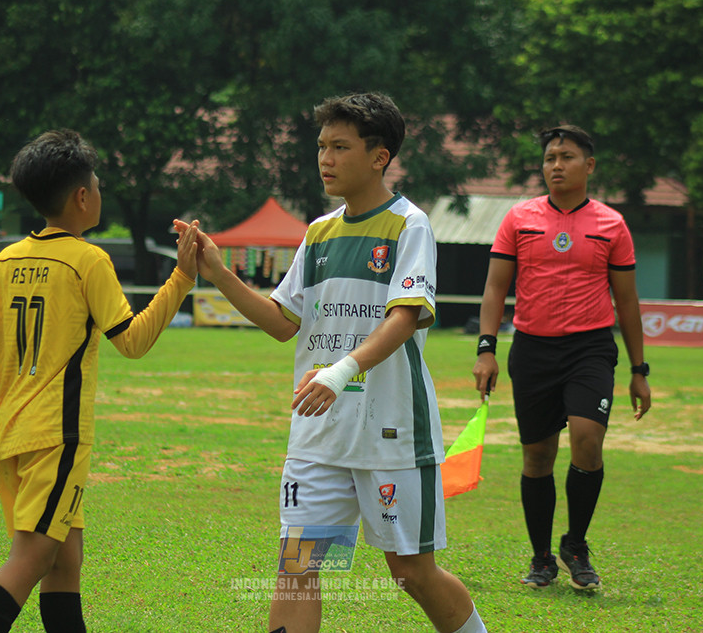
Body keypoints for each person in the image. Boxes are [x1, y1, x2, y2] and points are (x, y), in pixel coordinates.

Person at [176, 92, 486, 633]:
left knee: (410, 573)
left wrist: (341, 372)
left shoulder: (409, 225)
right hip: (318, 434)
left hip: (391, 432)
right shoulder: (318, 232)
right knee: (298, 568)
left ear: (379, 156)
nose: (325, 158)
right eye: (322, 146)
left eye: (340, 147)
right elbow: (282, 321)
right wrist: (219, 274)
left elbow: (405, 318)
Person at [0, 129, 198, 633]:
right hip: (58, 436)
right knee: (32, 559)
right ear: (81, 197)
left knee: (64, 562)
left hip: (13, 433)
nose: (99, 191)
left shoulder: (7, 260)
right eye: (96, 184)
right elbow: (132, 340)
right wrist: (181, 278)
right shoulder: (88, 260)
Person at [472, 124, 651, 591]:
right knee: (537, 456)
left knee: (588, 441)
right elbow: (495, 288)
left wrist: (639, 370)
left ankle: (575, 544)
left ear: (588, 166)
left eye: (566, 157)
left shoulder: (612, 224)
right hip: (533, 349)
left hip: (590, 349)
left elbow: (627, 301)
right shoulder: (518, 218)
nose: (556, 165)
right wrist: (486, 349)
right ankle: (541, 558)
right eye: (550, 157)